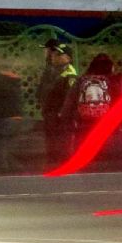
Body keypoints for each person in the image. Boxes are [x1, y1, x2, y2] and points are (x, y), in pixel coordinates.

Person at [60, 53, 122, 172]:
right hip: (113, 135)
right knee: (115, 178)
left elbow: (67, 109)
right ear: (111, 67)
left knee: (89, 178)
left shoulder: (80, 82)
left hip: (85, 135)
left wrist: (71, 132)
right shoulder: (116, 81)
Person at [39, 41, 77, 171]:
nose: (54, 57)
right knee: (52, 147)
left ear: (68, 58)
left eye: (59, 55)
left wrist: (62, 114)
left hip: (60, 117)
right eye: (54, 54)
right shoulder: (54, 71)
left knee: (62, 147)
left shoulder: (69, 74)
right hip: (51, 114)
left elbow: (70, 98)